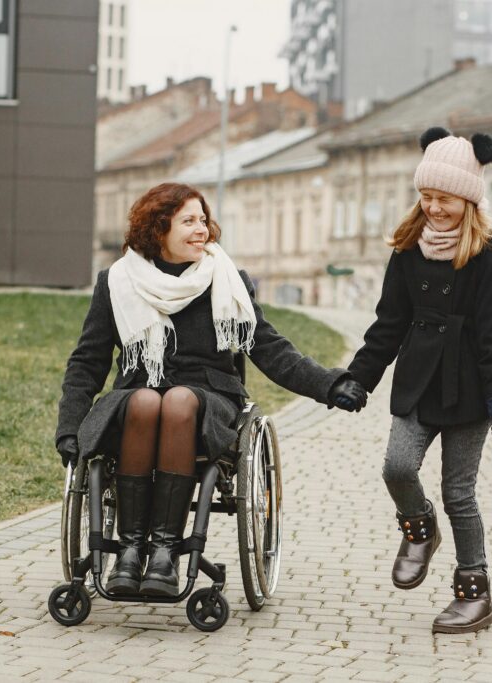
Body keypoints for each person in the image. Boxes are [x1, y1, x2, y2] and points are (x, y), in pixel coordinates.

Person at [55, 182, 367, 597]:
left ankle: (165, 552)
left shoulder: (226, 279)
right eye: (188, 221)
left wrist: (330, 384)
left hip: (210, 402)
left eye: (203, 219)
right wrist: (70, 426)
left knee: (179, 400)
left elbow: (270, 349)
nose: (202, 229)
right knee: (149, 399)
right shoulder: (116, 282)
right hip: (136, 400)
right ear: (158, 228)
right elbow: (87, 361)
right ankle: (131, 551)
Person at [346, 127, 492, 634]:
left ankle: (473, 594)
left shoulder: (490, 250)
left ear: (468, 198)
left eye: (444, 198)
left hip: (469, 388)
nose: (435, 207)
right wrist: (359, 378)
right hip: (418, 381)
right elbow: (388, 324)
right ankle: (418, 529)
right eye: (426, 196)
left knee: (459, 494)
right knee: (397, 467)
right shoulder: (406, 247)